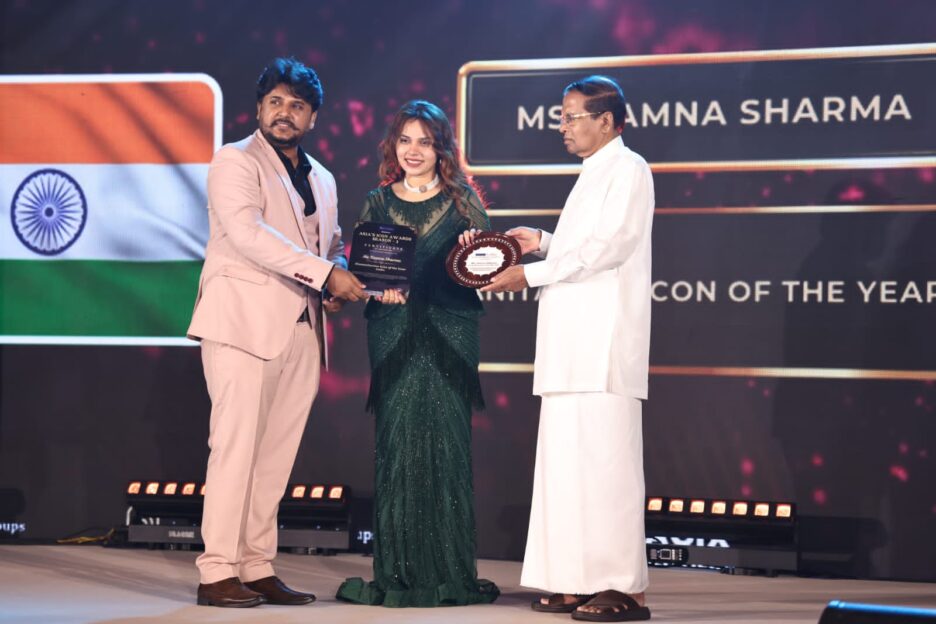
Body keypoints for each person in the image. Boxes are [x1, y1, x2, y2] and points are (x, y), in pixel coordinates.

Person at [187, 57, 366, 608]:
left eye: (297, 105)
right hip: (241, 322)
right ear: (260, 108)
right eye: (276, 102)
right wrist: (324, 273)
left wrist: (336, 273)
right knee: (235, 447)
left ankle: (256, 565)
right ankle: (217, 570)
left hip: (304, 329)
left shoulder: (323, 178)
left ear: (313, 117)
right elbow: (248, 233)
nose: (285, 113)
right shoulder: (234, 160)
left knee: (276, 456)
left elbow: (330, 243)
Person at [479, 75, 654, 621]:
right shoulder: (593, 172)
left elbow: (611, 248)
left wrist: (529, 273)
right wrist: (544, 242)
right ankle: (578, 581)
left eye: (572, 116)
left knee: (607, 469)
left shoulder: (629, 168)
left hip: (602, 349)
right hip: (569, 347)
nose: (563, 126)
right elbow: (583, 248)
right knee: (568, 470)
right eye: (562, 116)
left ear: (608, 121)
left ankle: (623, 588)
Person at [335, 100, 499, 607]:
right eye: (405, 140)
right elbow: (364, 273)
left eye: (424, 142)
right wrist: (375, 289)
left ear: (441, 148)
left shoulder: (464, 201)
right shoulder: (378, 202)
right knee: (398, 446)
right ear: (393, 146)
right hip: (394, 334)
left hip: (449, 335)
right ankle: (398, 572)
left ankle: (449, 571)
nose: (413, 151)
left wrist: (475, 251)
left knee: (447, 447)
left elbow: (487, 268)